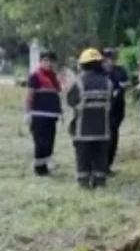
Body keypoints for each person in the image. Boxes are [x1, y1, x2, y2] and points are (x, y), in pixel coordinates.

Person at [67, 48, 113, 189]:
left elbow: (71, 100)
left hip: (83, 130)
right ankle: (100, 182)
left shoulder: (79, 82)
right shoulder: (108, 83)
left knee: (83, 158)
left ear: (83, 65)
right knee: (100, 157)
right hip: (103, 129)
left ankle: (84, 182)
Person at [24, 50, 62, 176]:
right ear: (40, 62)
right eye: (45, 60)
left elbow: (56, 95)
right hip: (38, 115)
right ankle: (39, 168)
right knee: (41, 142)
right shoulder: (35, 76)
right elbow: (29, 95)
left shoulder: (54, 77)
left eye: (51, 61)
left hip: (51, 116)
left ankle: (45, 166)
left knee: (50, 141)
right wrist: (27, 113)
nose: (49, 63)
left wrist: (60, 113)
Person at [102, 48, 129, 175]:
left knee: (113, 136)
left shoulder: (120, 71)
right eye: (106, 59)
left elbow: (125, 85)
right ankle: (100, 165)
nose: (109, 62)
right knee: (104, 138)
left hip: (116, 109)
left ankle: (107, 165)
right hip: (102, 110)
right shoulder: (98, 73)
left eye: (111, 59)